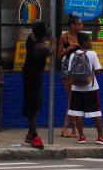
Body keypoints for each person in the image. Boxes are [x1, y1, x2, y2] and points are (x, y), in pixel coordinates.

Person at [67, 32, 103, 145]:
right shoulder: (92, 54)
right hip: (90, 88)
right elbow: (97, 70)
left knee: (77, 112)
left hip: (76, 88)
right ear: (84, 42)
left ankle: (81, 137)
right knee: (96, 112)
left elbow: (69, 72)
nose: (91, 42)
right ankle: (101, 137)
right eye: (89, 41)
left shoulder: (73, 55)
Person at [22, 21, 56, 149]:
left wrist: (47, 33)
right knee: (33, 105)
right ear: (42, 33)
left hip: (32, 75)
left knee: (36, 104)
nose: (49, 30)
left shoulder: (31, 37)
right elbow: (50, 50)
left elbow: (42, 36)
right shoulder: (39, 47)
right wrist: (53, 41)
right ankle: (34, 135)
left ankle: (31, 133)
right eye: (47, 28)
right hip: (32, 77)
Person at [57, 15, 84, 137]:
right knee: (71, 98)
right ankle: (65, 127)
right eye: (79, 23)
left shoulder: (82, 36)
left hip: (80, 68)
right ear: (72, 25)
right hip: (68, 67)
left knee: (76, 98)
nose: (81, 25)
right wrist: (68, 48)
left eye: (82, 23)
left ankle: (73, 128)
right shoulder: (64, 36)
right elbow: (58, 56)